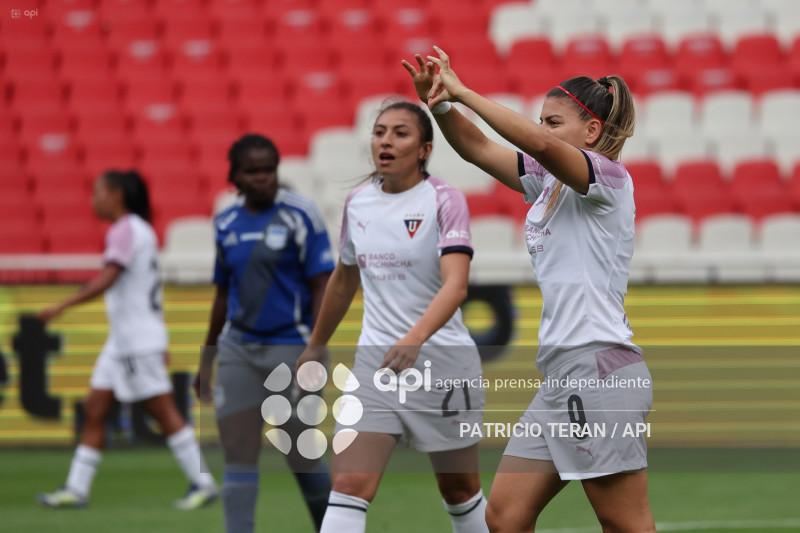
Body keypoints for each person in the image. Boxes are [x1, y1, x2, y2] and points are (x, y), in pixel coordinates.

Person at [403, 47, 655, 532]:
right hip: (563, 373)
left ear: (592, 131)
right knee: (505, 516)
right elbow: (477, 148)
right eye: (542, 120)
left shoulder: (608, 178)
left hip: (598, 369)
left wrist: (465, 91)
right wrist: (441, 104)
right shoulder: (548, 184)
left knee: (625, 523)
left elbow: (538, 144)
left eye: (554, 121)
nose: (543, 128)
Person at [297, 100, 489, 533]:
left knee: (459, 489)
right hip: (376, 366)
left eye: (400, 133)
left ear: (424, 150)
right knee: (349, 484)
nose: (386, 140)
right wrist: (315, 345)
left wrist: (414, 338)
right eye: (380, 132)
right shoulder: (358, 203)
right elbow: (343, 280)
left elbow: (456, 285)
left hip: (442, 366)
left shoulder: (444, 200)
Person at [37, 170, 218, 510]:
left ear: (117, 194)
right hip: (124, 341)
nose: (93, 200)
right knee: (95, 408)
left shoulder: (124, 230)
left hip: (135, 342)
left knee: (162, 410)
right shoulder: (140, 230)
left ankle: (203, 483)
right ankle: (76, 489)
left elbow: (109, 277)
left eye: (98, 192)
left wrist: (62, 305)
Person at [193, 134, 335, 533]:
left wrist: (316, 348)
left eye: (269, 170)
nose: (262, 178)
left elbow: (321, 285)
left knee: (299, 450)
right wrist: (207, 359)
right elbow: (223, 294)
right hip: (238, 348)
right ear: (234, 177)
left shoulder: (301, 215)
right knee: (238, 451)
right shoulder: (226, 223)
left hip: (290, 346)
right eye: (252, 171)